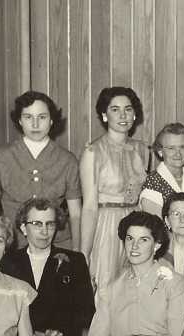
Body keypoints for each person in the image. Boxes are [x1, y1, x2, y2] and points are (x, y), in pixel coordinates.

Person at [0, 198, 95, 336]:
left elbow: (86, 311)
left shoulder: (75, 261)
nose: (45, 231)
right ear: (23, 228)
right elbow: (3, 312)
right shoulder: (8, 263)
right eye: (37, 224)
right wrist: (38, 334)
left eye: (50, 224)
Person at [0, 91, 82, 249]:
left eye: (42, 117)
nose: (35, 124)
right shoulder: (1, 156)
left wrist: (77, 252)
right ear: (20, 121)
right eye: (28, 117)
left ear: (51, 121)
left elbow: (76, 214)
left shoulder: (68, 160)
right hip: (13, 244)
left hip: (57, 244)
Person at [79, 86, 150, 290]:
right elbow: (90, 206)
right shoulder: (93, 152)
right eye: (115, 109)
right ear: (104, 115)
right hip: (106, 226)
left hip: (136, 222)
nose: (123, 115)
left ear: (135, 114)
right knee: (107, 288)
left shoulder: (143, 150)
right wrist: (84, 254)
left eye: (128, 109)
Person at [139, 123, 184, 217]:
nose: (178, 154)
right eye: (171, 148)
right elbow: (158, 227)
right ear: (160, 151)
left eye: (182, 147)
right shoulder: (153, 183)